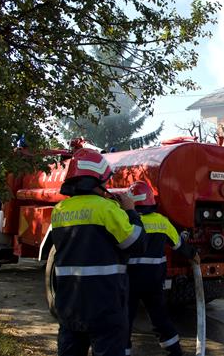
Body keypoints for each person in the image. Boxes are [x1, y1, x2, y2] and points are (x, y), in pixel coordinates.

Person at [51, 148, 147, 356]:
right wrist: (130, 211)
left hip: (69, 304)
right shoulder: (106, 209)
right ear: (97, 180)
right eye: (105, 180)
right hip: (105, 305)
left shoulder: (59, 211)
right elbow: (136, 244)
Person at [125, 180, 199, 356]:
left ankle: (122, 351)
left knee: (124, 320)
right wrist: (193, 255)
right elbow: (179, 245)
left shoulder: (127, 221)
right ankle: (175, 351)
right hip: (154, 281)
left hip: (129, 281)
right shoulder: (162, 222)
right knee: (160, 318)